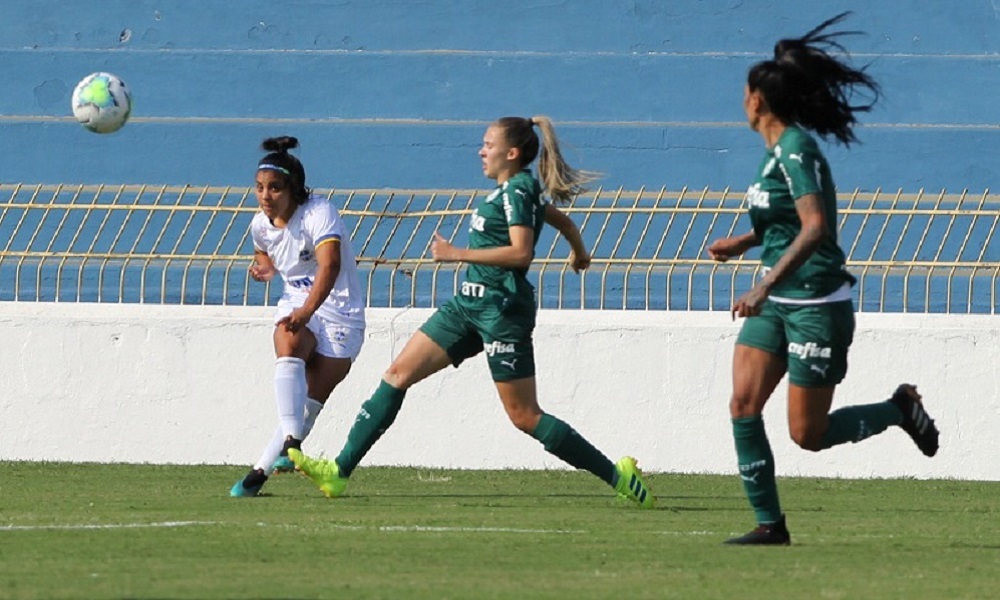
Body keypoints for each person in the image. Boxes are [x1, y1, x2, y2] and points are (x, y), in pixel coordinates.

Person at [289, 116, 655, 508]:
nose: (481, 151)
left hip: (501, 311)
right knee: (397, 375)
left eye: (488, 144)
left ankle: (619, 476)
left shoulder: (518, 189)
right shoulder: (512, 192)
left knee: (524, 415)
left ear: (511, 154)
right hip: (467, 305)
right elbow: (559, 218)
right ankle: (339, 472)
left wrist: (456, 253)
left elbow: (520, 252)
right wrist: (579, 252)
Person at [706, 12, 939, 544]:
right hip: (775, 300)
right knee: (743, 405)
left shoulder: (795, 149)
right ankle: (770, 526)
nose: (741, 101)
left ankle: (898, 409)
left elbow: (815, 227)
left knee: (807, 434)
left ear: (758, 100)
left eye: (744, 93)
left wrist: (761, 285)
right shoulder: (771, 157)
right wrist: (744, 242)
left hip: (814, 301)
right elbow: (785, 220)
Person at [230, 136, 366, 497]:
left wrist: (308, 311)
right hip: (297, 303)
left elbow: (331, 265)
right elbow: (265, 252)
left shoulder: (319, 213)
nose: (265, 196)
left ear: (293, 189)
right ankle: (291, 447)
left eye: (274, 188)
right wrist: (264, 268)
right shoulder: (259, 224)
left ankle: (258, 473)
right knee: (286, 338)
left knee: (307, 406)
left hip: (340, 315)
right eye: (259, 188)